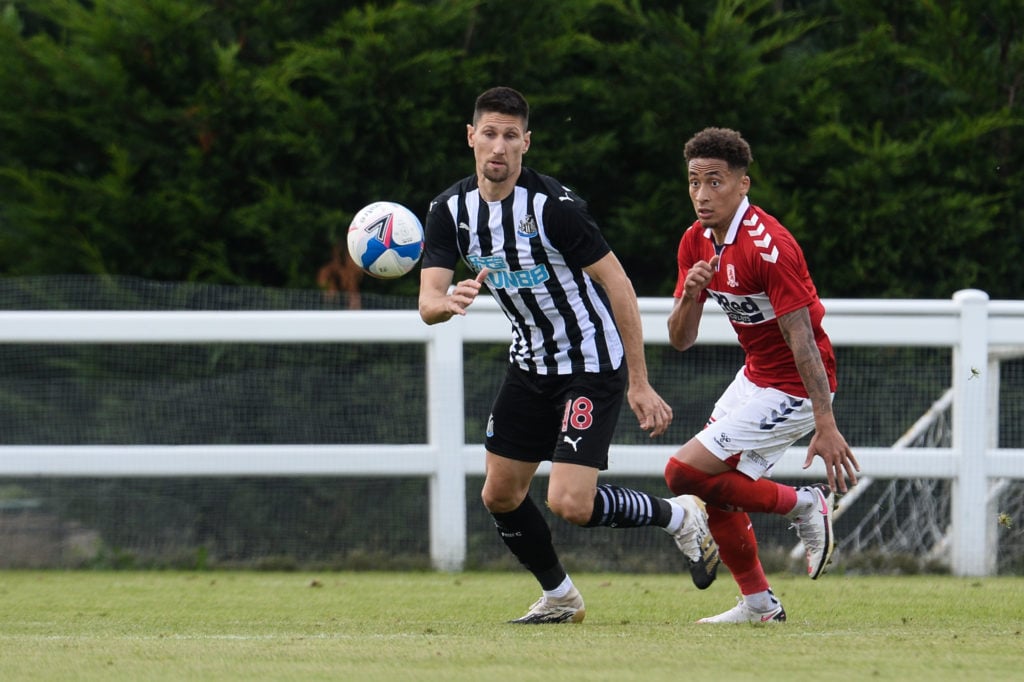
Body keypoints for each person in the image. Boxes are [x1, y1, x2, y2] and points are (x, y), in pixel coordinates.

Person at [418, 86, 720, 624]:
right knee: (500, 494)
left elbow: (619, 286)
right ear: (471, 138)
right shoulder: (449, 210)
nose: (499, 147)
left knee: (571, 504)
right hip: (530, 364)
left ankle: (680, 516)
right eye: (489, 133)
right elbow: (428, 304)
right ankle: (560, 596)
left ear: (526, 144)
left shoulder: (553, 208)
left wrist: (639, 382)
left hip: (589, 362)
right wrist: (449, 302)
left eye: (511, 136)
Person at [663, 127, 861, 624]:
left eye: (715, 182)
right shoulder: (695, 242)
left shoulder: (769, 246)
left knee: (682, 473)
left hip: (795, 385)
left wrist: (825, 421)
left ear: (743, 184)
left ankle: (804, 504)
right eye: (694, 182)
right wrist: (691, 293)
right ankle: (759, 605)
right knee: (710, 484)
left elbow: (803, 339)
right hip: (756, 377)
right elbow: (680, 340)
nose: (702, 195)